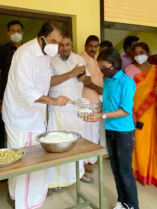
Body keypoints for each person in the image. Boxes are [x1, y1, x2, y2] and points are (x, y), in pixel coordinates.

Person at [2, 21, 70, 209]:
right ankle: (23, 202)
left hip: (36, 115)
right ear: (41, 38)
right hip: (20, 115)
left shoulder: (45, 54)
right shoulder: (24, 53)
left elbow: (45, 81)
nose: (56, 46)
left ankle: (29, 199)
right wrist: (52, 101)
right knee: (22, 161)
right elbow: (26, 91)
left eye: (59, 42)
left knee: (36, 159)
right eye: (53, 41)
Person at [89, 48, 139, 209]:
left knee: (125, 171)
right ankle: (122, 202)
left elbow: (125, 110)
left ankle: (132, 205)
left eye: (104, 67)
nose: (102, 70)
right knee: (116, 170)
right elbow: (107, 105)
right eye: (100, 67)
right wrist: (95, 112)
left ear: (115, 64)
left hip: (124, 132)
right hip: (110, 130)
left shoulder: (126, 82)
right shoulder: (108, 81)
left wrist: (102, 116)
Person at [46, 32, 93, 193]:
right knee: (58, 145)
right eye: (61, 45)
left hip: (76, 108)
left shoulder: (78, 59)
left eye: (68, 45)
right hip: (58, 108)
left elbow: (88, 80)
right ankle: (56, 180)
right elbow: (48, 81)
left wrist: (83, 79)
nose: (65, 48)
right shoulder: (49, 59)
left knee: (76, 143)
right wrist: (71, 74)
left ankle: (77, 174)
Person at [124, 42, 157, 187]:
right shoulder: (130, 69)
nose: (139, 56)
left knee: (153, 141)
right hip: (137, 111)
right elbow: (128, 92)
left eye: (141, 52)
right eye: (135, 53)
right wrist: (131, 112)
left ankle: (151, 173)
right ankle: (138, 171)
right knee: (139, 142)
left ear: (148, 52)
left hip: (154, 110)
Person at [0, 20, 24, 151]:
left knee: (18, 128)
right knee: (0, 127)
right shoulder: (2, 50)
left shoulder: (26, 50)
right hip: (5, 96)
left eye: (18, 30)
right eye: (13, 30)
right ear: (7, 33)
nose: (16, 33)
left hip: (22, 97)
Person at [80, 35, 103, 173]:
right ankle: (83, 162)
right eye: (91, 46)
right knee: (85, 133)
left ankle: (89, 158)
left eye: (96, 46)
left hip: (95, 101)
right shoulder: (82, 59)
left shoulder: (94, 59)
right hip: (85, 101)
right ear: (85, 45)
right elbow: (84, 81)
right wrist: (99, 89)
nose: (93, 49)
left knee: (93, 132)